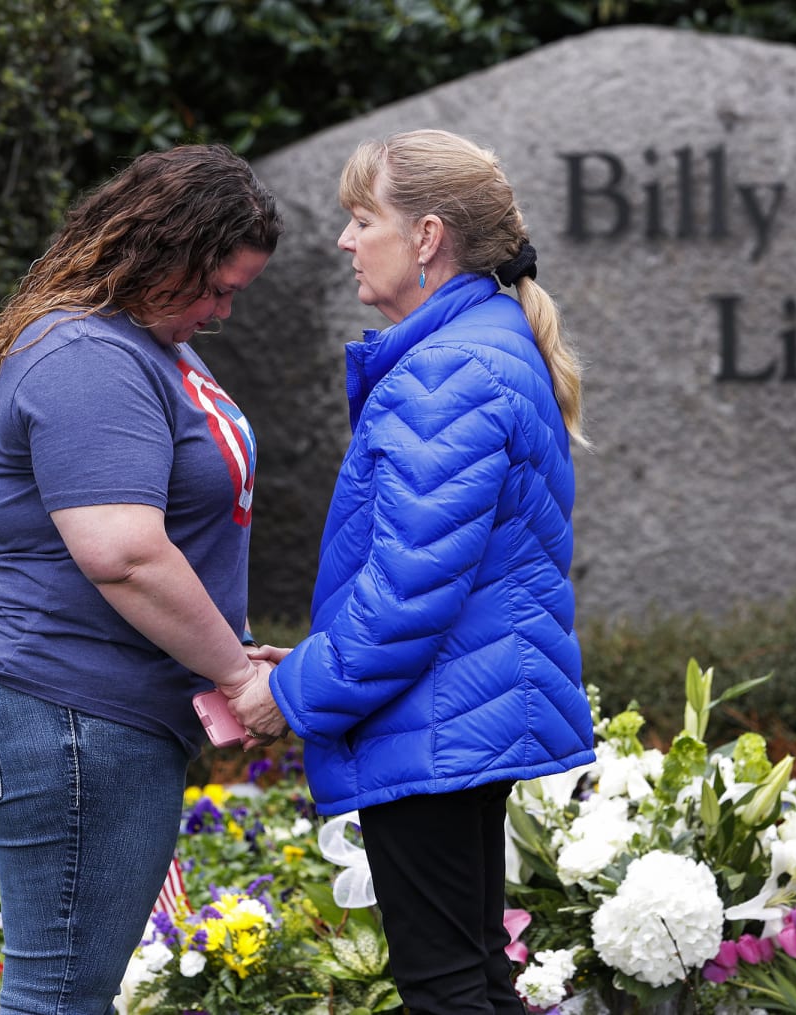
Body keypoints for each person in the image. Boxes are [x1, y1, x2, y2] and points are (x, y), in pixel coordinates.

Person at [0, 143, 290, 1015]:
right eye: (215, 287)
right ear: (157, 253)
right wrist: (237, 677)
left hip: (89, 706)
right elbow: (121, 551)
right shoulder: (88, 355)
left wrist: (225, 648)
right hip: (65, 703)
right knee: (57, 1000)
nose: (223, 311)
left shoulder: (142, 343)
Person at [244, 127, 596, 1014]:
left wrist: (289, 696)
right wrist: (312, 665)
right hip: (457, 712)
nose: (345, 239)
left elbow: (407, 594)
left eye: (364, 218)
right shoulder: (486, 346)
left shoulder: (448, 371)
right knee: (473, 978)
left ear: (428, 235)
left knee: (449, 990)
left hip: (433, 719)